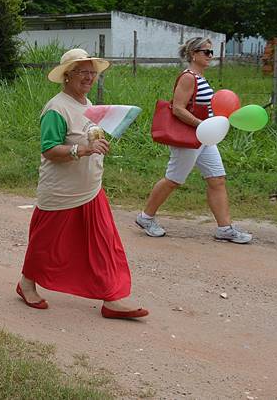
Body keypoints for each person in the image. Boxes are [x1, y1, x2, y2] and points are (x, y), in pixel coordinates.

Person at [17, 48, 148, 319]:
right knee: (46, 244)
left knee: (104, 243)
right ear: (67, 76)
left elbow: (88, 139)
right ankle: (26, 283)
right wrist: (82, 151)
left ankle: (112, 298)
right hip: (61, 192)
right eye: (83, 72)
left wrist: (97, 145)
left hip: (90, 189)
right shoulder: (56, 108)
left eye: (92, 73)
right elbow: (49, 149)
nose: (89, 77)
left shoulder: (89, 106)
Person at [136, 37, 252, 244]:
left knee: (217, 179)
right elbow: (178, 108)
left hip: (205, 137)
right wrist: (201, 125)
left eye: (211, 52)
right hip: (190, 136)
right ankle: (146, 218)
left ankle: (225, 228)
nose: (210, 56)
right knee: (173, 180)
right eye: (206, 52)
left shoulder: (200, 77)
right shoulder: (188, 77)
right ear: (193, 54)